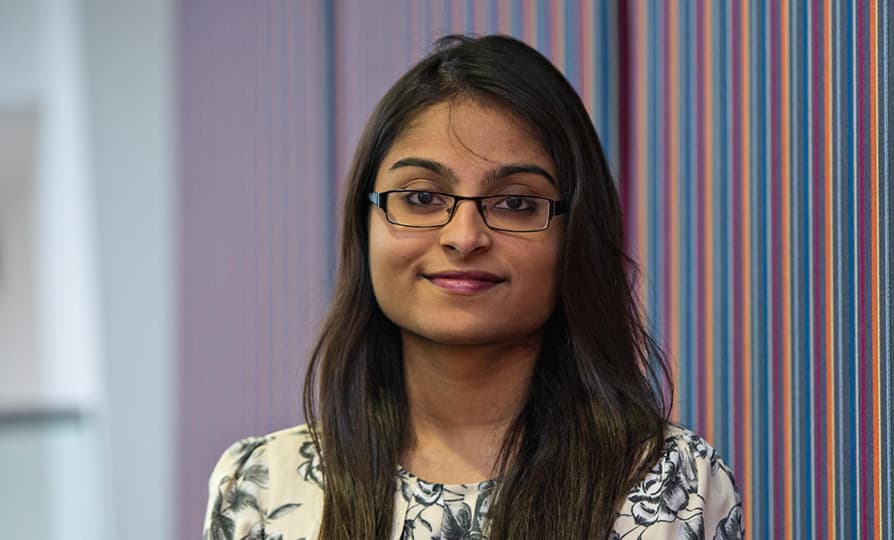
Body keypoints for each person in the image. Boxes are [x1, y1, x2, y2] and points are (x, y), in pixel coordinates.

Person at [203, 34, 742, 540]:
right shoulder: (260, 486)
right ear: (364, 226)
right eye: (421, 198)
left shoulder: (672, 485)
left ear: (575, 235)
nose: (463, 237)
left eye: (515, 203)